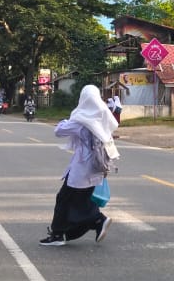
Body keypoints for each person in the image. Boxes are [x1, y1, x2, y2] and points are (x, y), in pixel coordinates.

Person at [40, 85, 119, 247]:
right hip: (97, 167)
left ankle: (96, 220)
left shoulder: (82, 120)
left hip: (81, 169)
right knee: (77, 200)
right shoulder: (103, 118)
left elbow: (59, 131)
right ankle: (63, 232)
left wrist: (67, 120)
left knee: (66, 199)